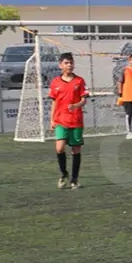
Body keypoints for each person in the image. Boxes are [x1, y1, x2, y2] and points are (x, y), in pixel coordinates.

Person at [49, 52, 88, 189]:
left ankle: (74, 179)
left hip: (76, 120)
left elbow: (84, 99)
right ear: (60, 65)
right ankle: (64, 174)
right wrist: (52, 119)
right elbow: (54, 102)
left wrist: (76, 105)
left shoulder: (79, 81)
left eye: (71, 63)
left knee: (76, 150)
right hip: (60, 120)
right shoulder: (55, 82)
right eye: (66, 63)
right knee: (59, 148)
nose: (69, 65)